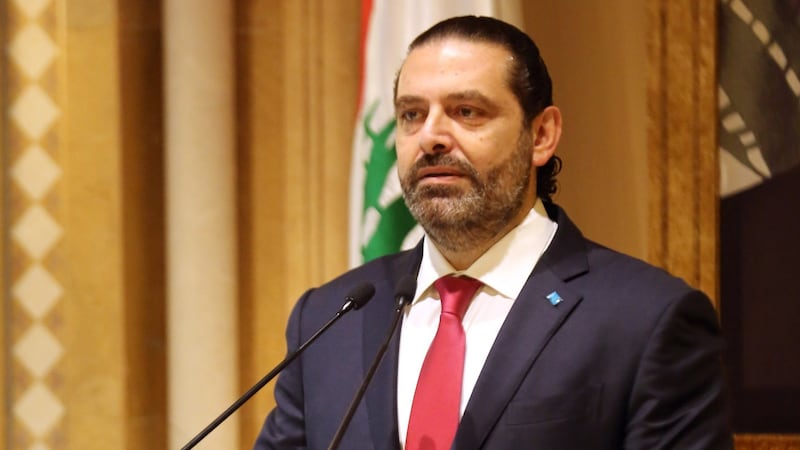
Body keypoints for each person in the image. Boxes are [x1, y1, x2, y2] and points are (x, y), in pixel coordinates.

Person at [254, 16, 733, 450]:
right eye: (411, 115)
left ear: (541, 134)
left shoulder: (646, 320)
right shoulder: (329, 319)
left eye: (467, 112)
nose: (431, 137)